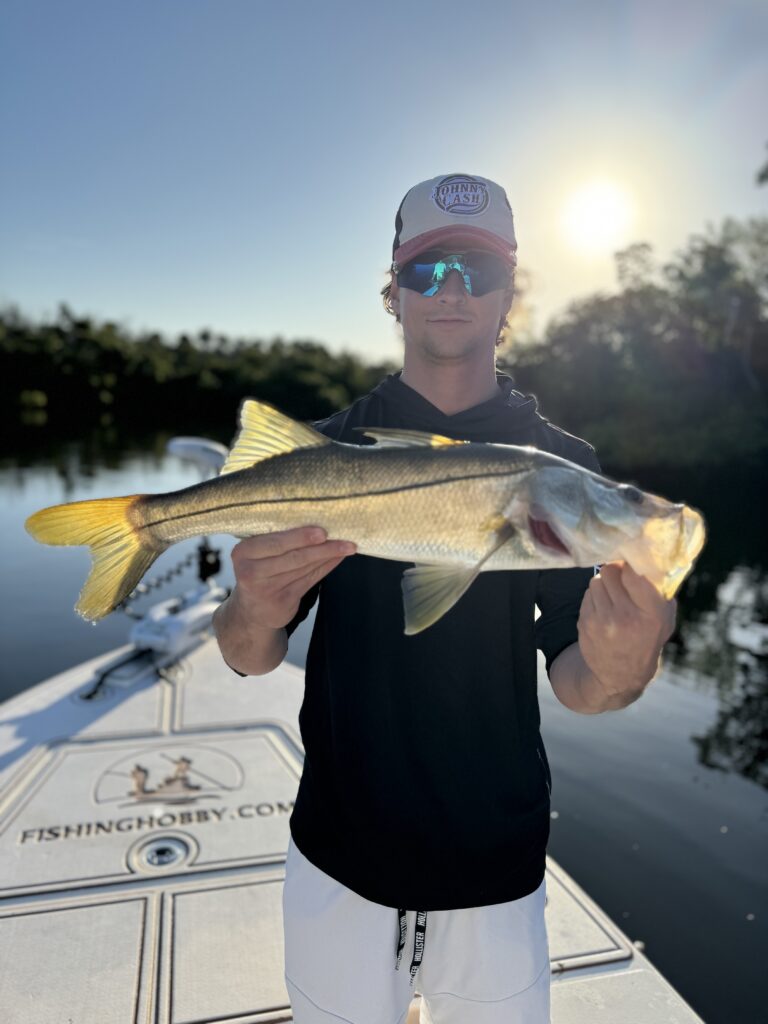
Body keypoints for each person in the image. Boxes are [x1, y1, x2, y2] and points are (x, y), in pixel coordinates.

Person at [213, 173, 677, 1024]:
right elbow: (246, 655)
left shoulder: (562, 470)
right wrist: (252, 609)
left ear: (510, 293)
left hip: (496, 866)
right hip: (336, 856)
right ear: (393, 292)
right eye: (428, 271)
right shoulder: (322, 451)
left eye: (476, 268)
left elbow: (582, 683)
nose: (452, 289)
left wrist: (623, 664)